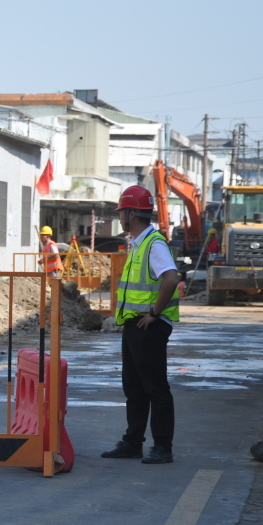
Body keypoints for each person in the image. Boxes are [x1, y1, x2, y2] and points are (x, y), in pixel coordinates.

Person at [102, 185, 180, 464]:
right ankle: (133, 442)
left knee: (155, 388)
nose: (120, 217)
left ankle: (162, 447)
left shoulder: (153, 244)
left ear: (131, 213)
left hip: (148, 327)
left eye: (122, 212)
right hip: (134, 327)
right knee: (134, 388)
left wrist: (155, 314)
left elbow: (171, 278)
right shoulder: (139, 243)